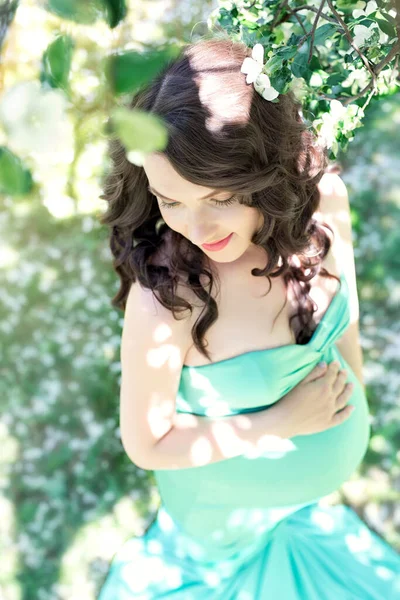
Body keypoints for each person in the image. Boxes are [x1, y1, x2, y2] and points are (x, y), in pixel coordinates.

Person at [97, 34, 400, 599]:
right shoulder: (169, 297)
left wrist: (355, 398)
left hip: (301, 498)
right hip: (221, 523)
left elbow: (345, 317)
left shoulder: (325, 200)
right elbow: (147, 443)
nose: (196, 226)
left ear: (261, 170)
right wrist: (279, 423)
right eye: (170, 200)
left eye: (218, 197)